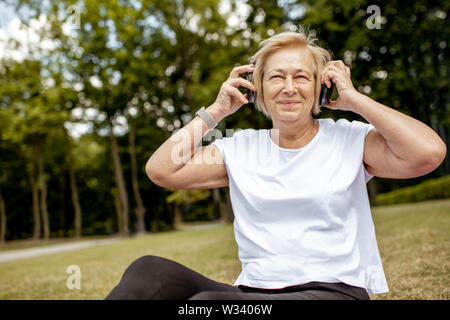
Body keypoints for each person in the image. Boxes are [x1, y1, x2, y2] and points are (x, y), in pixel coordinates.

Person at [105, 27, 447, 300]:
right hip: (252, 296)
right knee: (149, 272)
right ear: (257, 90)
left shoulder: (351, 139)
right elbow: (161, 170)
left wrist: (355, 100)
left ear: (320, 89)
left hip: (334, 292)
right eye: (276, 77)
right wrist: (216, 111)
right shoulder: (241, 148)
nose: (289, 88)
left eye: (301, 77)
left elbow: (428, 153)